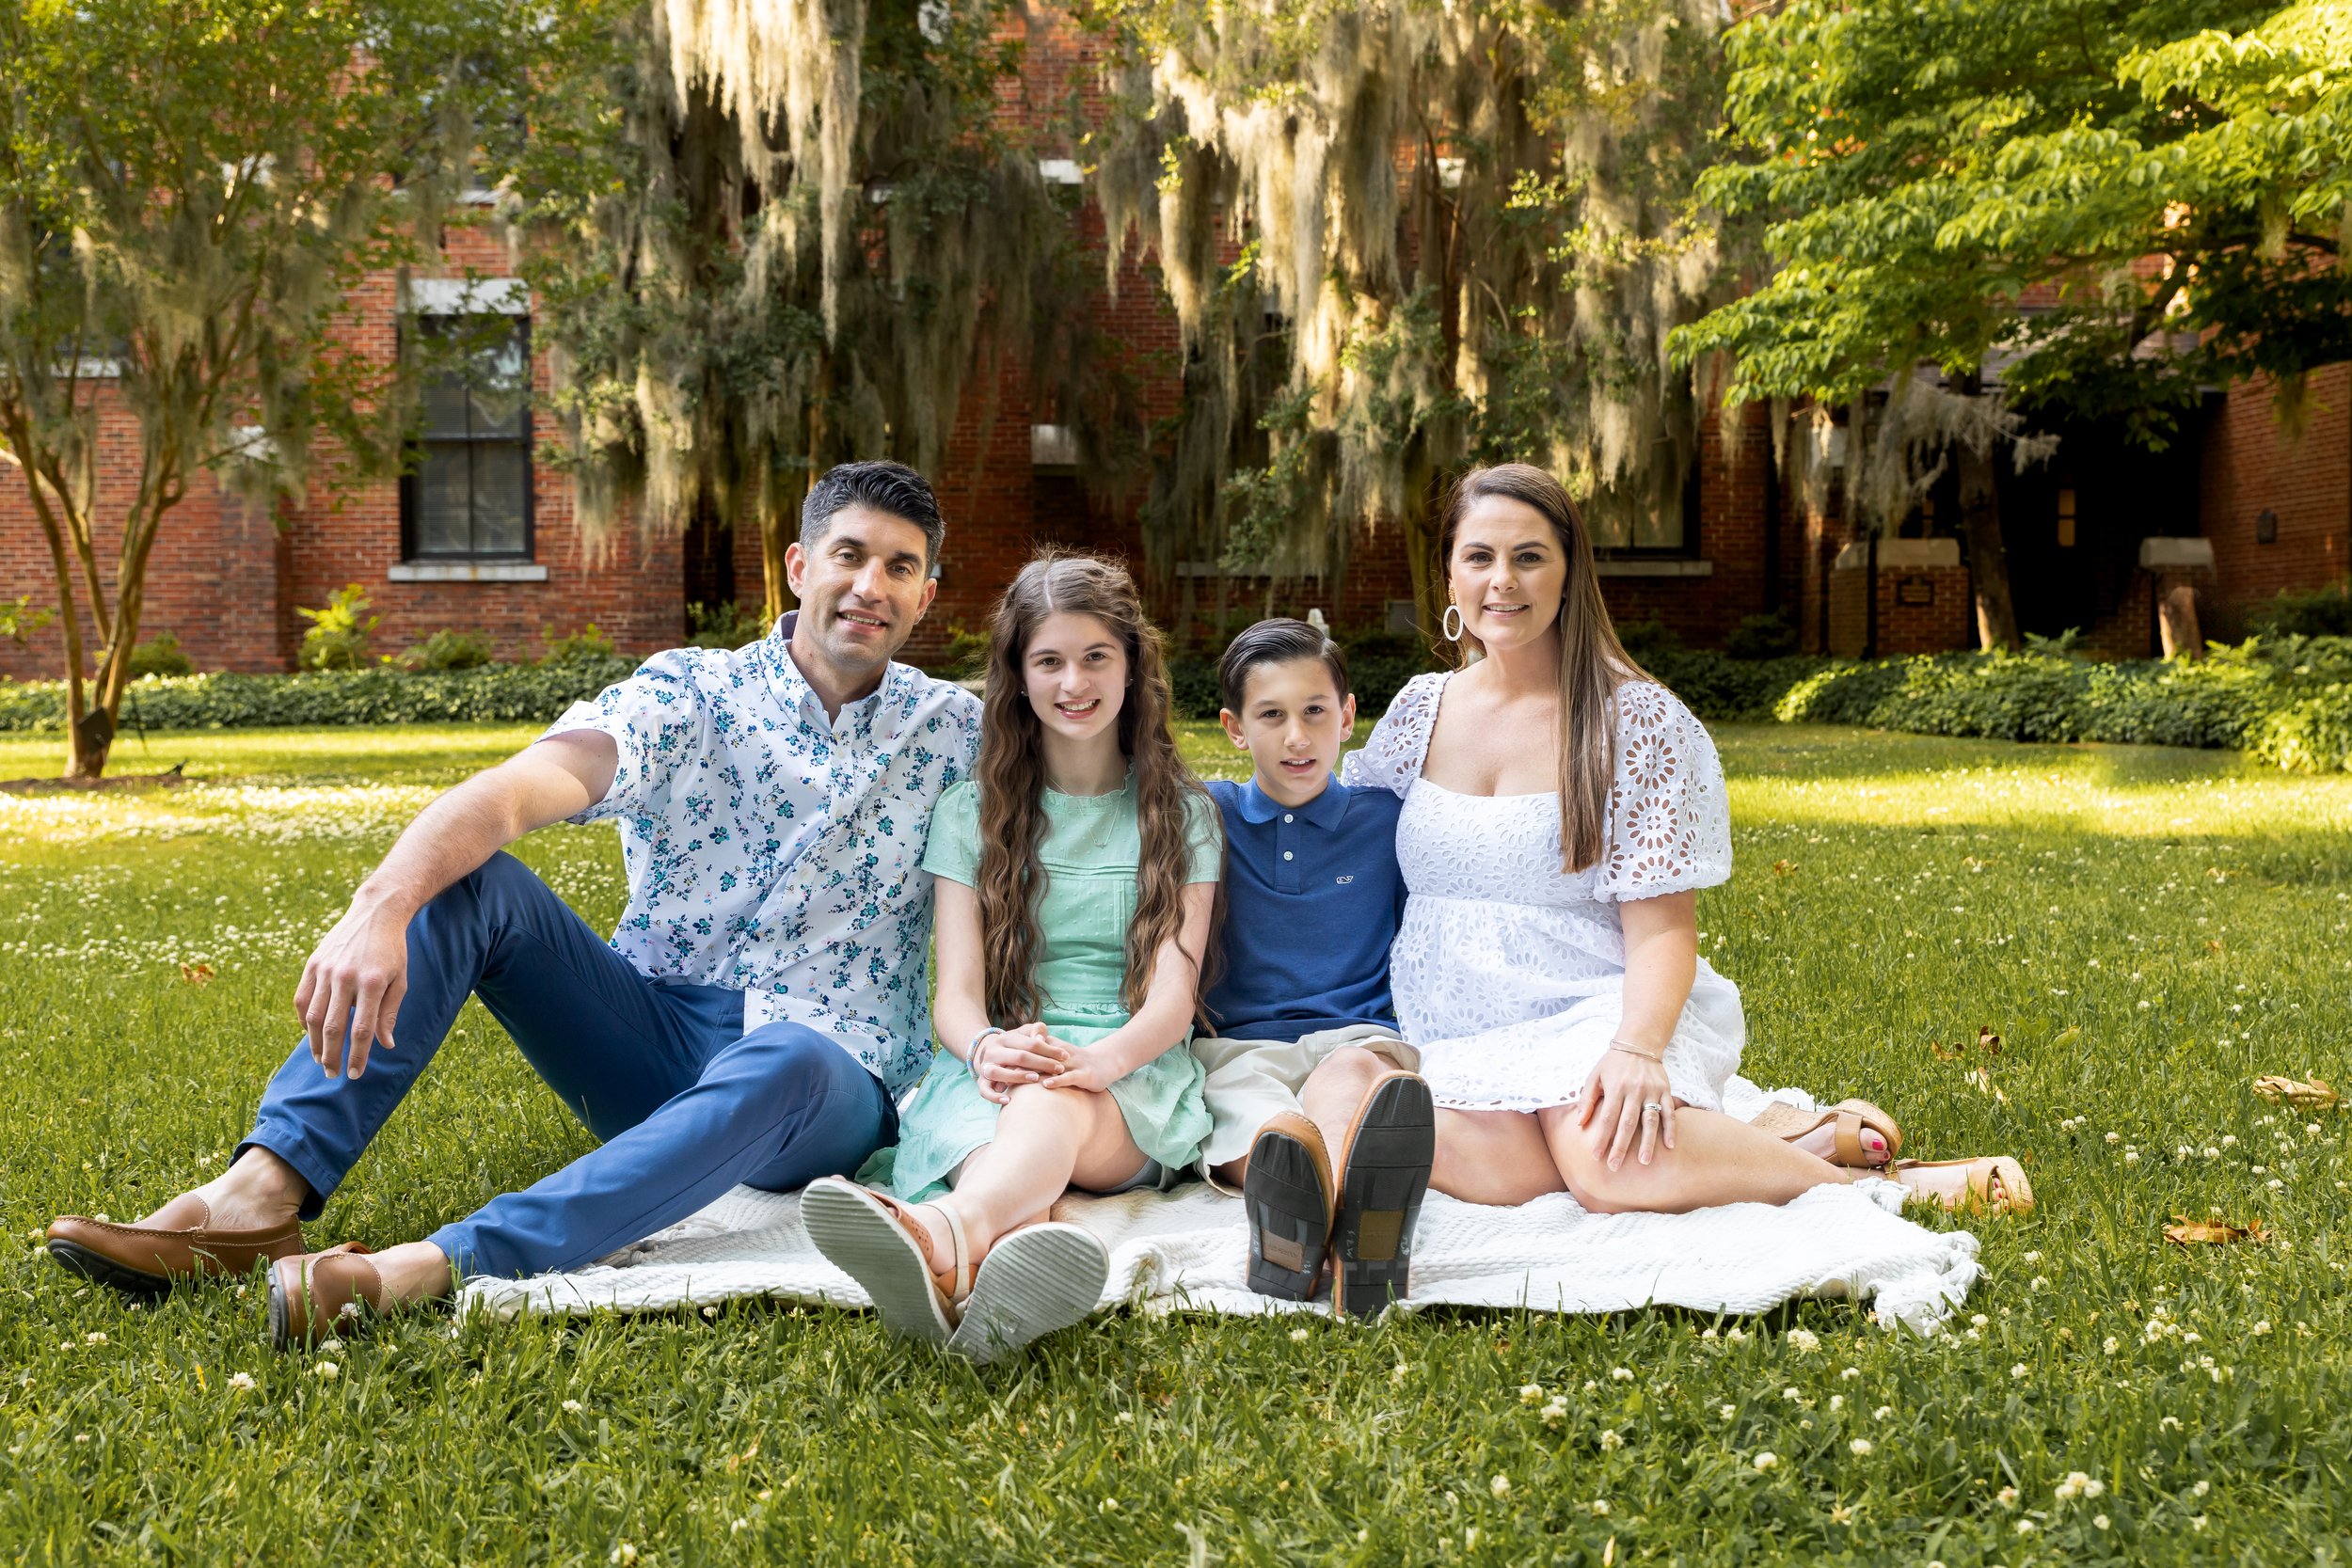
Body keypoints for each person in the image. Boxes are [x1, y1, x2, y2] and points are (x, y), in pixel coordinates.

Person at [44, 461, 984, 1346]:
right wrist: (379, 905)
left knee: (793, 1054)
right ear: (800, 566)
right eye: (850, 554)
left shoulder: (959, 734)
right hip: (653, 1033)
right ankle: (258, 1193)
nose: (871, 586)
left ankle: (440, 1262)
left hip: (826, 1078)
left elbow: (1072, 808)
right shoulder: (693, 694)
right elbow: (515, 792)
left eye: (900, 567)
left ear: (927, 595)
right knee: (472, 881)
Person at [1343, 463, 2032, 1218]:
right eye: (1479, 556)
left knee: (1605, 1169)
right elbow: (1342, 837)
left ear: (1570, 573)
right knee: (1477, 1161)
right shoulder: (1421, 710)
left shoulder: (1633, 721)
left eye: (1529, 556)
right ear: (1450, 576)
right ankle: (1780, 1141)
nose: (1502, 579)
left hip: (1595, 1008)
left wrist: (1636, 1049)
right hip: (1455, 1028)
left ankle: (1882, 1191)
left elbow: (1663, 930)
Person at [803, 552, 1222, 1362]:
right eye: (1049, 660)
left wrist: (1099, 1062)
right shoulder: (971, 813)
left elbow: (1173, 1001)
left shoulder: (1182, 815)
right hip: (991, 1064)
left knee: (1046, 1108)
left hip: (1128, 1074)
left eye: (1096, 656)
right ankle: (975, 1286)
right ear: (1019, 677)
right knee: (1017, 1155)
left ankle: (938, 1230)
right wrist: (988, 1048)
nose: (1075, 681)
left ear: (1132, 665)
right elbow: (955, 997)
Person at [1190, 618, 1433, 1316]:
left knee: (1356, 1079)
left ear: (1347, 716)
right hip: (1237, 1046)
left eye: (1315, 711)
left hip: (1352, 1037)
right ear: (1235, 729)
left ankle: (1310, 1233)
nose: (1297, 737)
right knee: (1265, 1127)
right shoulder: (1205, 813)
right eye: (1271, 715)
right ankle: (1350, 1231)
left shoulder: (1389, 820)